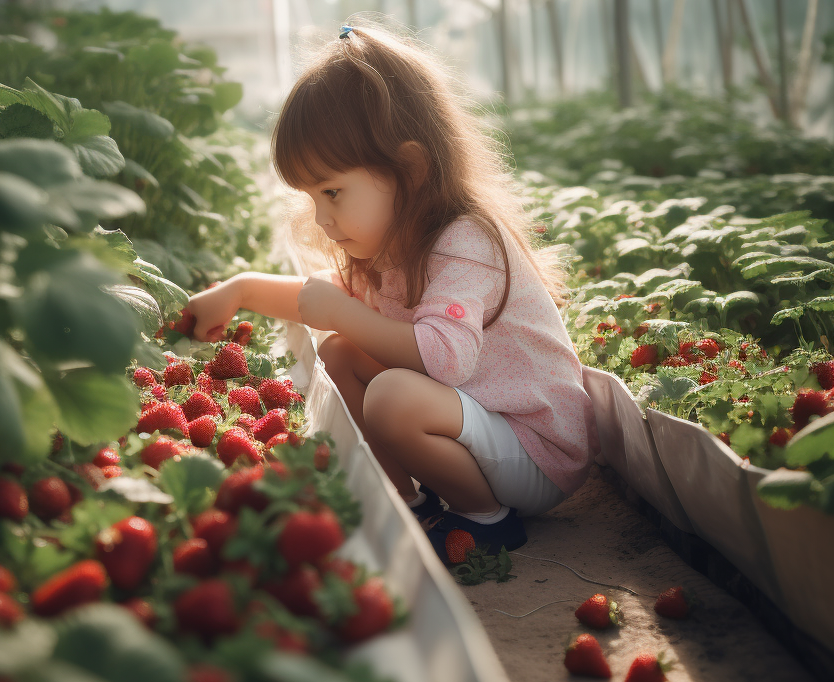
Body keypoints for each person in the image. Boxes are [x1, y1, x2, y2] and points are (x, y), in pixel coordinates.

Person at [186, 22, 599, 565]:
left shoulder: (462, 240)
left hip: (537, 450)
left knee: (389, 395)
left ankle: (486, 522)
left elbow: (444, 358)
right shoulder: (393, 245)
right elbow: (319, 299)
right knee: (339, 352)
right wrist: (239, 291)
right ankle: (407, 498)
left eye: (332, 192)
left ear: (409, 169)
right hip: (483, 426)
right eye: (312, 197)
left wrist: (346, 315)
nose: (322, 217)